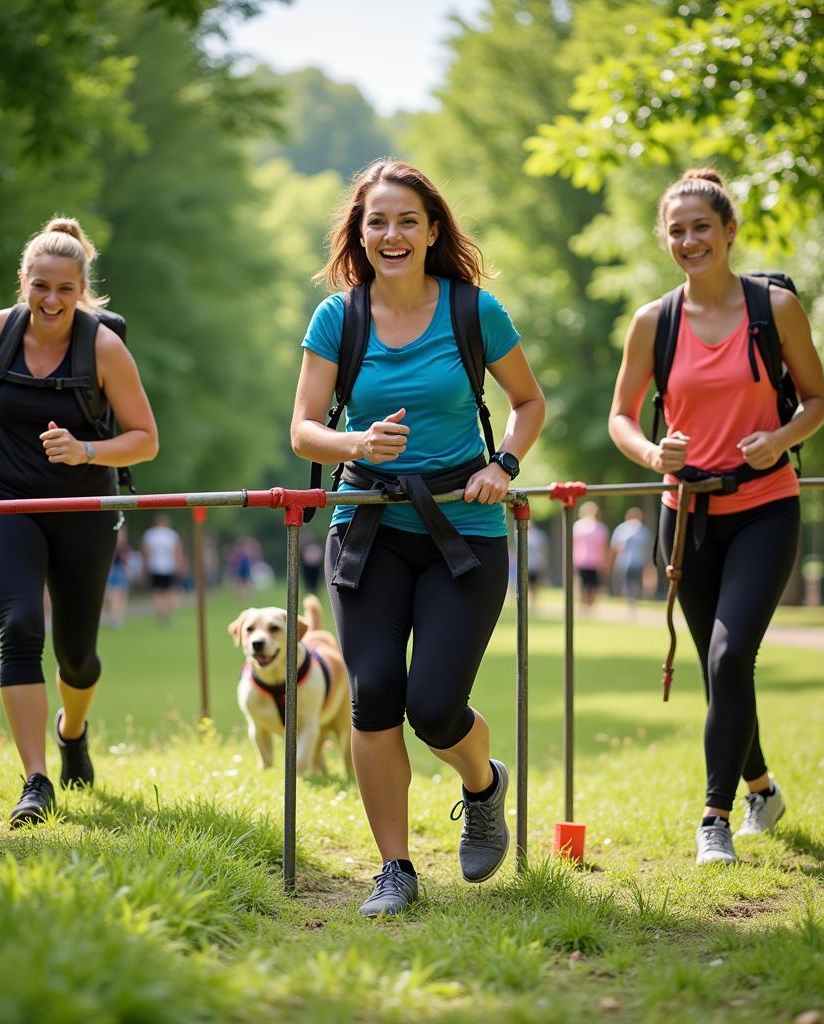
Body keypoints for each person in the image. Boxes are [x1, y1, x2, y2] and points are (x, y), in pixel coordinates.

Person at [291, 159, 545, 916]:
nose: (392, 234)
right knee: (372, 697)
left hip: (461, 529)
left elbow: (528, 402)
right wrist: (354, 446)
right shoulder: (339, 318)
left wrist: (503, 464)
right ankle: (395, 869)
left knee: (433, 707)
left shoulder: (475, 311)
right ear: (360, 235)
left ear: (433, 231)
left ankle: (483, 783)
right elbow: (304, 428)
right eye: (378, 222)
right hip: (366, 527)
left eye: (407, 220)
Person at [608, 168, 824, 865]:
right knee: (718, 667)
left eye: (702, 226)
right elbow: (619, 416)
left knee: (732, 654)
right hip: (686, 515)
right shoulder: (654, 321)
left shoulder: (773, 309)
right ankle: (761, 783)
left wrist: (781, 438)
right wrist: (653, 451)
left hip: (765, 506)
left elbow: (817, 401)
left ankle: (715, 818)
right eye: (676, 230)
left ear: (729, 231)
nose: (689, 240)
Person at [0, 216, 159, 827]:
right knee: (18, 627)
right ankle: (35, 780)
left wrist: (88, 450)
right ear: (24, 282)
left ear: (82, 288)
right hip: (8, 502)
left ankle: (73, 729)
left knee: (77, 658)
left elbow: (145, 440)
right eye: (41, 286)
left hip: (84, 513)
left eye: (65, 290)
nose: (51, 300)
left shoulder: (103, 347)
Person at [140, 514, 185, 624]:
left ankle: (161, 615)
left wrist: (145, 567)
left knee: (158, 592)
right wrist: (181, 566)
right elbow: (177, 552)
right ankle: (168, 615)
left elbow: (146, 552)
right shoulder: (172, 535)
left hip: (155, 566)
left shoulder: (150, 534)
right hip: (169, 566)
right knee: (170, 591)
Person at [609, 507, 653, 611]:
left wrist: (612, 563)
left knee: (627, 583)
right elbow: (648, 550)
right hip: (637, 561)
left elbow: (615, 547)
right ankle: (632, 604)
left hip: (625, 561)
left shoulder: (622, 529)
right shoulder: (644, 531)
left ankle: (629, 604)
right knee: (635, 583)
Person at [571, 502, 609, 611]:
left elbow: (574, 543)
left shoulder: (578, 526)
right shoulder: (601, 527)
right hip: (596, 560)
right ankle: (590, 605)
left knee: (582, 584)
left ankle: (583, 605)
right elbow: (604, 546)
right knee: (593, 585)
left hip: (581, 559)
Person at [104, 524, 132, 628]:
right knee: (114, 595)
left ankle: (117, 616)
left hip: (120, 571)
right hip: (114, 571)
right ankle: (114, 617)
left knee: (120, 595)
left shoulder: (123, 546)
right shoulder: (113, 546)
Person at [525, 520, 550, 614]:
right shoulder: (537, 535)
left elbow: (543, 550)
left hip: (534, 564)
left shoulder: (538, 536)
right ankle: (529, 602)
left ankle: (532, 603)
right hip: (528, 564)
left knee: (533, 585)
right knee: (528, 585)